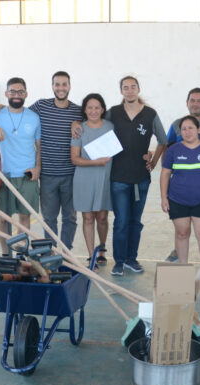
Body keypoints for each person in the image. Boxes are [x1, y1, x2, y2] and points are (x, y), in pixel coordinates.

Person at [0, 72, 84, 253]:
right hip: (47, 175)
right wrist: (3, 106)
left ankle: (65, 253)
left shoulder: (77, 111)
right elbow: (19, 110)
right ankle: (51, 251)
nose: (61, 88)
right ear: (52, 86)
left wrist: (78, 122)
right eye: (57, 84)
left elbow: (92, 122)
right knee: (49, 219)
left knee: (70, 218)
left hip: (71, 174)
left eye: (64, 84)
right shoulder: (41, 106)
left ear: (70, 86)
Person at [106, 76, 167, 276]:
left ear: (138, 89)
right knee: (121, 221)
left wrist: (154, 161)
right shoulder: (113, 113)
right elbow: (96, 129)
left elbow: (163, 140)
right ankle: (119, 261)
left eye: (133, 87)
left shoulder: (150, 114)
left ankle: (132, 259)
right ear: (121, 91)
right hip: (118, 177)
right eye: (126, 87)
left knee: (136, 221)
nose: (130, 90)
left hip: (141, 178)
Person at [0, 77, 41, 255]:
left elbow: (39, 147)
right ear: (6, 94)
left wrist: (38, 168)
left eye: (20, 92)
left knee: (24, 219)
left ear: (26, 94)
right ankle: (7, 256)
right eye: (13, 91)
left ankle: (21, 253)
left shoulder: (34, 117)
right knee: (4, 220)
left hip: (27, 175)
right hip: (4, 175)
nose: (17, 95)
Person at [164, 87, 200, 265]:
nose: (195, 103)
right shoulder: (176, 124)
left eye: (199, 100)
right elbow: (168, 153)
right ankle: (181, 258)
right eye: (192, 100)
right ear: (187, 102)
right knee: (182, 232)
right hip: (181, 190)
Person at [70, 93, 113, 267]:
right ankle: (91, 255)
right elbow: (75, 158)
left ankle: (101, 250)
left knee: (102, 217)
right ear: (85, 110)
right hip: (84, 179)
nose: (94, 111)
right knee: (87, 218)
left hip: (105, 178)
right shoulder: (79, 129)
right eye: (90, 107)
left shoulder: (111, 127)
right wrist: (96, 162)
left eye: (97, 107)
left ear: (102, 109)